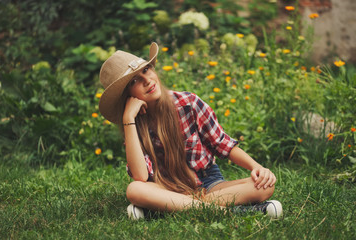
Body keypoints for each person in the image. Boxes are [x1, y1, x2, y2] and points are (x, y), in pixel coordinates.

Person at [98, 42, 282, 220]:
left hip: (208, 184)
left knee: (265, 187)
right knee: (135, 189)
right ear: (127, 96)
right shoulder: (134, 123)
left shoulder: (188, 103)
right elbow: (140, 176)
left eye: (146, 70)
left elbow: (222, 144)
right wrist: (129, 119)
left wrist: (257, 167)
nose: (147, 80)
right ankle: (228, 212)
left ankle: (166, 209)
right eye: (135, 81)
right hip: (166, 188)